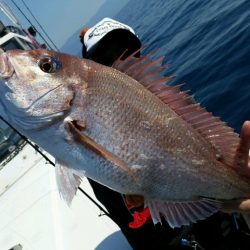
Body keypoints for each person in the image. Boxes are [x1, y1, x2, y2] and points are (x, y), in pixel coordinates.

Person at [79, 18, 250, 249]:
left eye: (128, 51)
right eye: (106, 57)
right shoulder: (89, 133)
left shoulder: (177, 106)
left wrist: (239, 188)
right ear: (94, 71)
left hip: (213, 218)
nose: (121, 61)